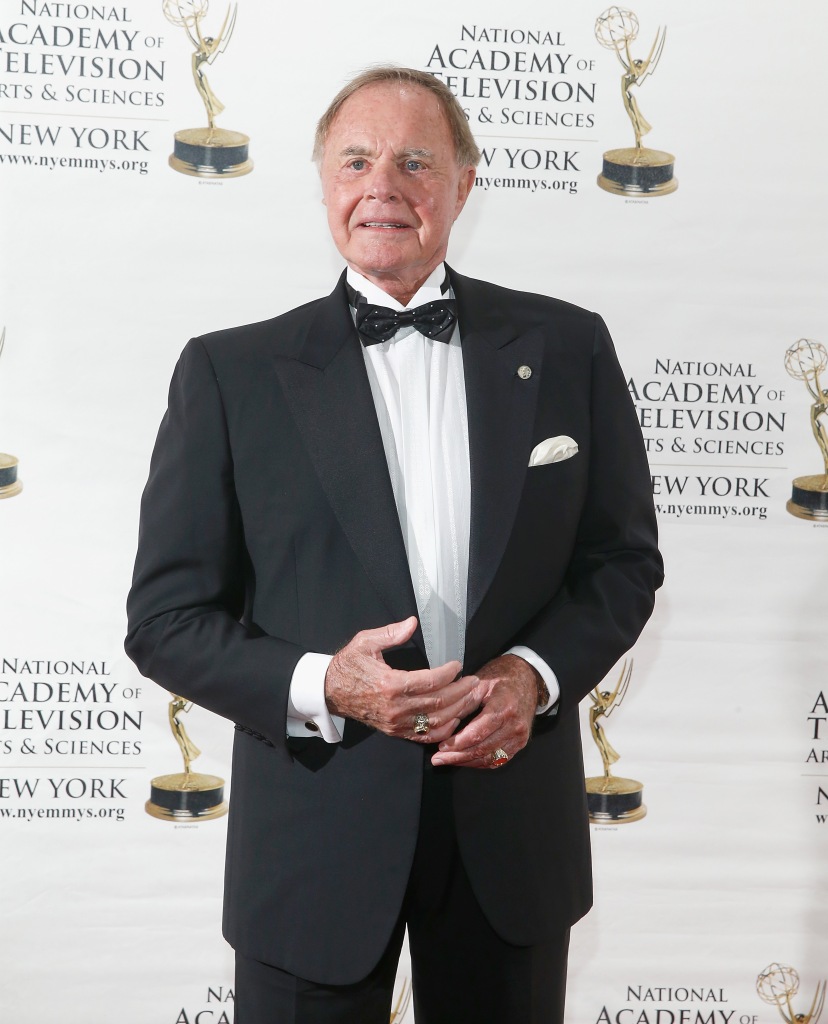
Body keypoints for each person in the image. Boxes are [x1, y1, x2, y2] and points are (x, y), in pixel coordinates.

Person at [126, 66, 663, 1024]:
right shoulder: (230, 373)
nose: (385, 184)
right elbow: (167, 619)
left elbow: (621, 564)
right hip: (313, 838)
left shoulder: (570, 346)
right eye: (358, 160)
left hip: (510, 833)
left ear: (465, 181)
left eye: (417, 160)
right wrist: (325, 684)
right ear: (324, 182)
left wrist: (532, 676)